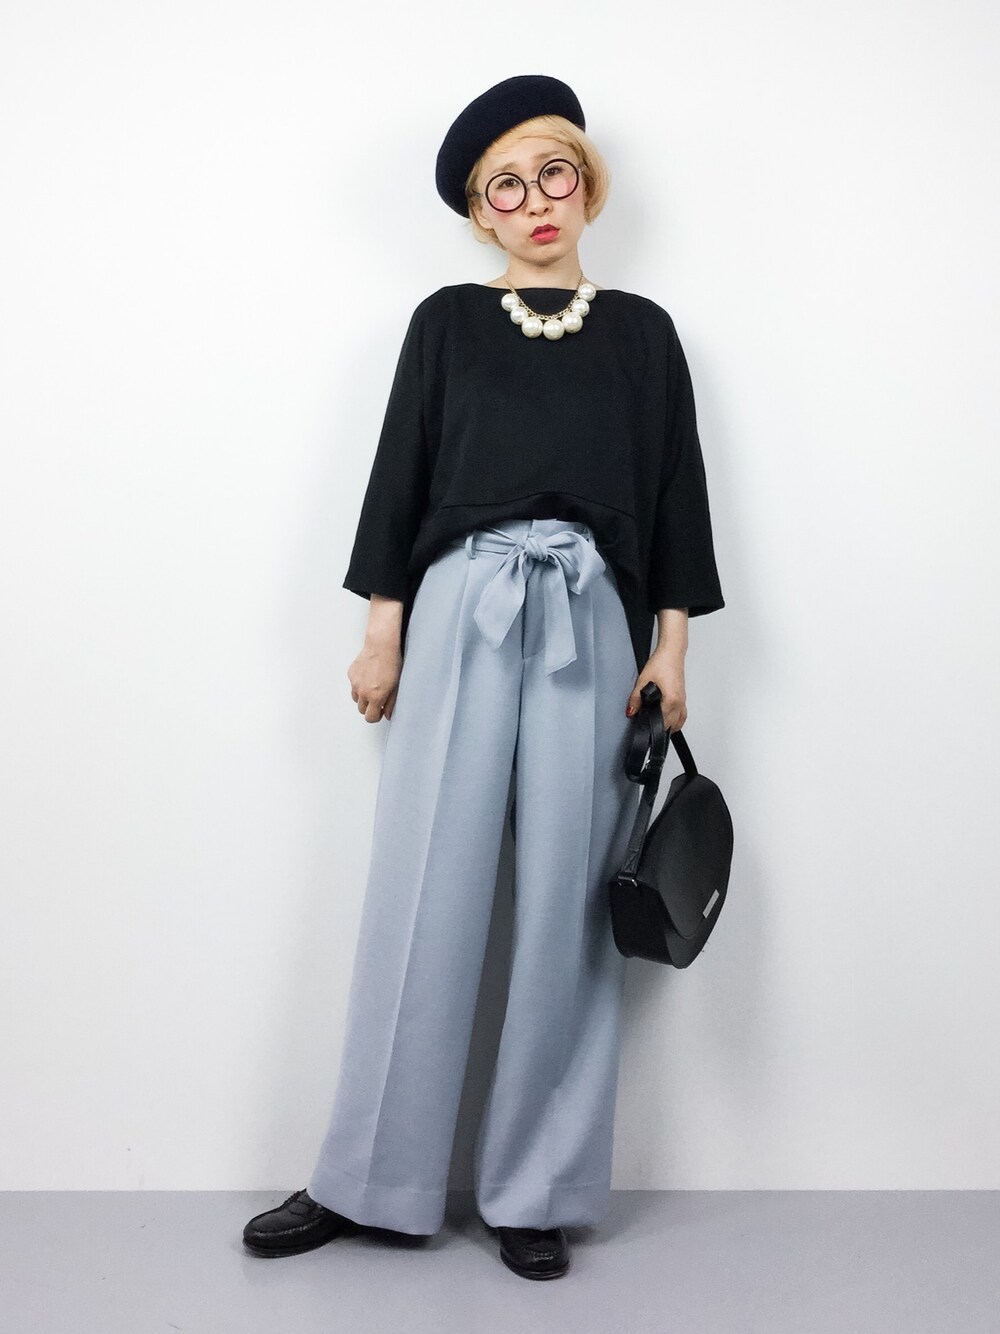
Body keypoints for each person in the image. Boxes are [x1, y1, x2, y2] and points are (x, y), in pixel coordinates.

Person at [243, 73, 725, 1281]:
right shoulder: (446, 323)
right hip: (461, 602)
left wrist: (669, 648)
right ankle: (369, 1175)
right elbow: (398, 478)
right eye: (503, 187)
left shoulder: (644, 332)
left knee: (568, 897)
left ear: (586, 183)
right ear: (478, 214)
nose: (533, 201)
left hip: (593, 617)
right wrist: (382, 631)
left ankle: (536, 1189)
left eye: (551, 173)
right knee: (425, 884)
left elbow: (676, 494)